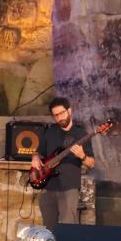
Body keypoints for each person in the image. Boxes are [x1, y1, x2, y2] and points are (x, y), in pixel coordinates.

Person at [31, 97, 95, 230]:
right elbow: (38, 152)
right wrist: (35, 158)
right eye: (56, 115)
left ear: (69, 111)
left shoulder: (81, 134)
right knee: (48, 230)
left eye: (62, 113)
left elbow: (91, 164)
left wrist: (82, 156)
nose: (60, 118)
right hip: (48, 187)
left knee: (68, 229)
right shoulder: (50, 132)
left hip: (69, 187)